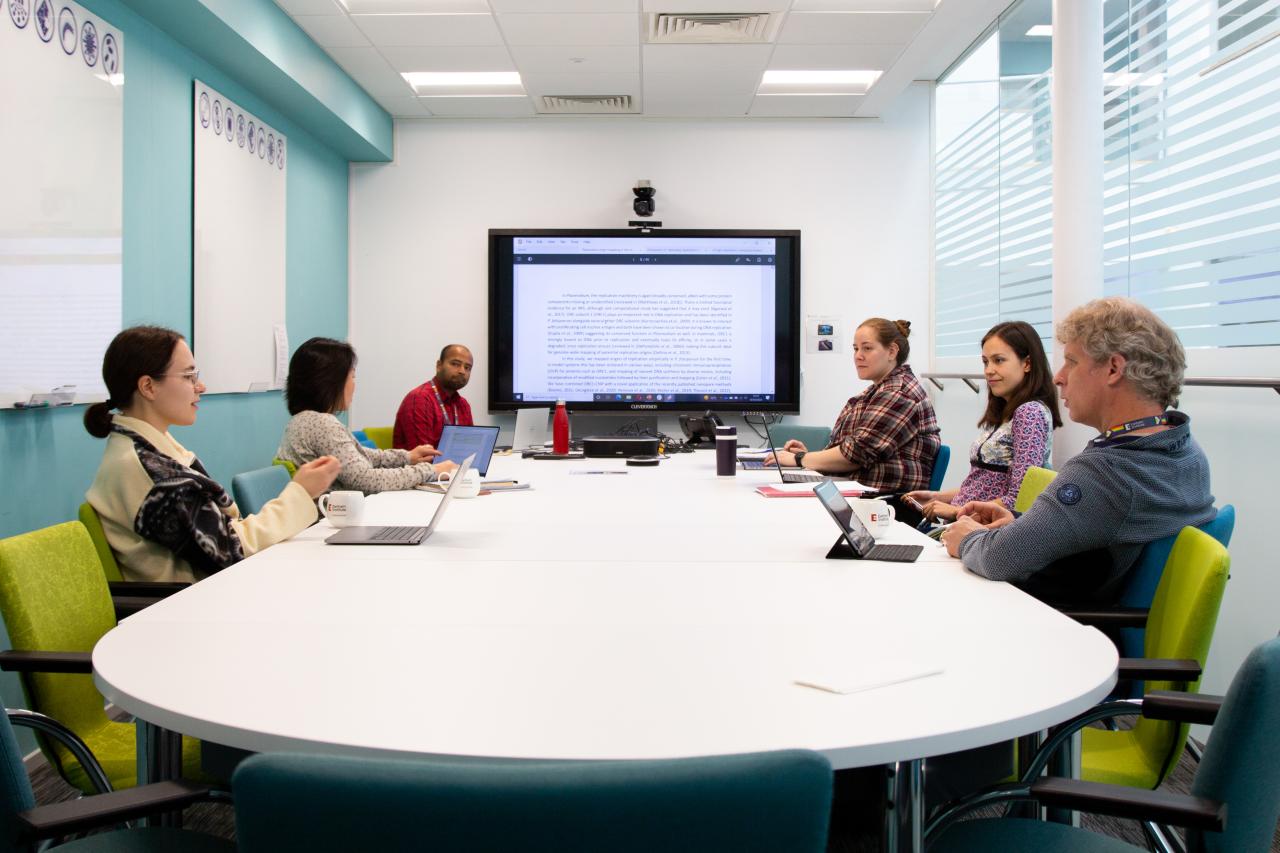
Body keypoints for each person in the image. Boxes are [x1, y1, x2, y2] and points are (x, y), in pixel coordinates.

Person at [942, 297, 1215, 606]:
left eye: (1071, 361)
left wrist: (965, 537)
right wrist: (1019, 521)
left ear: (1113, 368)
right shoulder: (1185, 452)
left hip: (1056, 629)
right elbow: (1097, 523)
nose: (1059, 376)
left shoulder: (1104, 473)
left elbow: (1000, 558)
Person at [85, 326, 340, 584]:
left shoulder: (144, 448)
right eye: (188, 376)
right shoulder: (151, 472)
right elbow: (229, 551)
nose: (201, 386)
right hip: (189, 607)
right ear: (148, 387)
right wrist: (300, 493)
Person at [906, 321, 1062, 521]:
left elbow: (1019, 498)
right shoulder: (1009, 413)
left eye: (998, 360)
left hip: (983, 532)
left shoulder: (1030, 413)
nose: (989, 370)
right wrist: (938, 497)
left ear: (1027, 364)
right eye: (986, 362)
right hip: (967, 524)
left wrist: (957, 511)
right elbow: (982, 484)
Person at [767, 318, 941, 493]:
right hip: (858, 495)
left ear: (892, 352)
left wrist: (801, 458)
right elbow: (848, 449)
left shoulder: (899, 393)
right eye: (856, 348)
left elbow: (854, 455)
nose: (858, 355)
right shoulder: (878, 391)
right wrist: (812, 457)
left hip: (883, 505)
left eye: (867, 348)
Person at [277, 338, 456, 493]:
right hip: (331, 522)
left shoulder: (303, 420)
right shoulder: (321, 424)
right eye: (352, 377)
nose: (354, 385)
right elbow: (366, 480)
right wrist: (431, 470)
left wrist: (407, 457)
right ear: (331, 382)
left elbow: (359, 456)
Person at [393, 344, 474, 450]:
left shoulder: (463, 404)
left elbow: (471, 446)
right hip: (422, 466)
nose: (462, 371)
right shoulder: (420, 399)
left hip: (453, 465)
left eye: (467, 368)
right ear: (439, 365)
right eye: (455, 364)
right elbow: (423, 458)